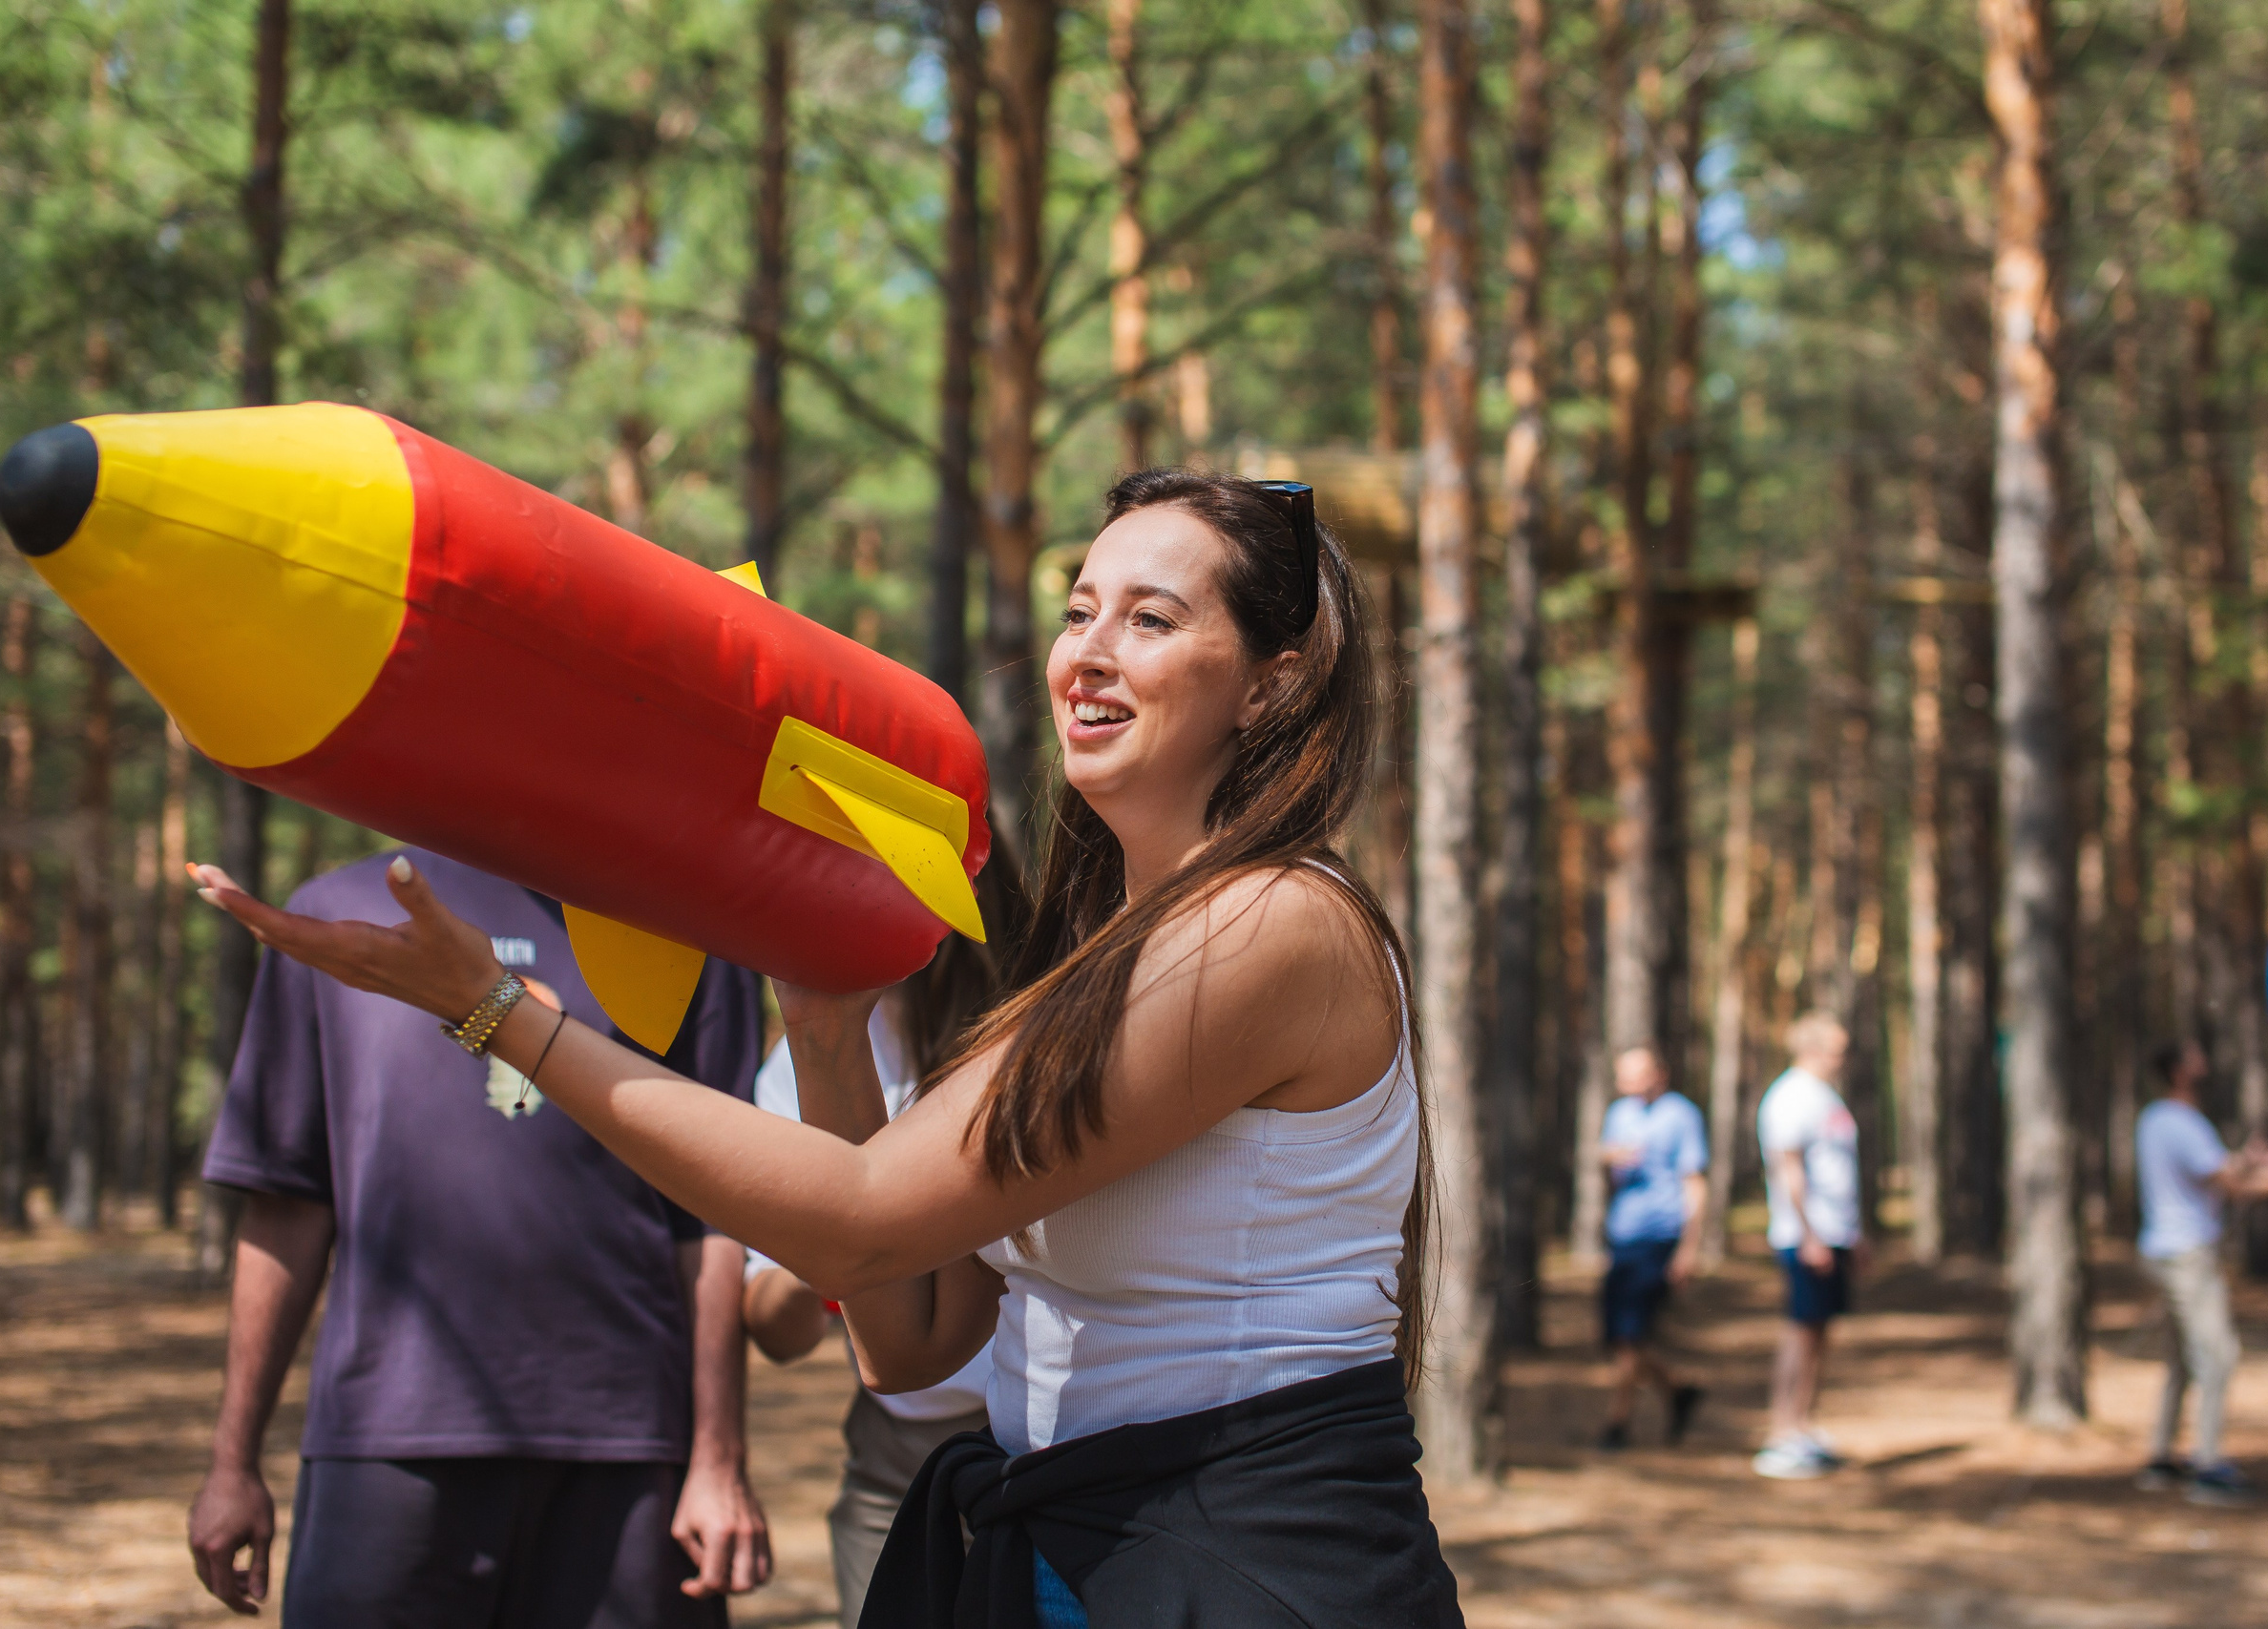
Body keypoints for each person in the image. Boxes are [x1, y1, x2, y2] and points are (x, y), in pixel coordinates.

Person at [192, 468, 1465, 1629]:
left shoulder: (1274, 923)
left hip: (1246, 1566)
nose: (1087, 652)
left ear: (1274, 679)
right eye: (1080, 610)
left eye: (1150, 618)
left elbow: (861, 1221)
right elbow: (912, 1332)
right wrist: (826, 1020)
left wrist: (493, 1009)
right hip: (1088, 1546)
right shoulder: (1100, 957)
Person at [184, 849, 772, 1626]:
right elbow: (287, 1200)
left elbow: (712, 1217)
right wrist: (233, 1461)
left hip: (628, 1448)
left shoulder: (681, 929)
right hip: (386, 1438)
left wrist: (719, 1460)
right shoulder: (334, 915)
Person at [740, 863, 1017, 1628]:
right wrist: (831, 1244)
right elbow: (779, 1327)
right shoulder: (806, 1051)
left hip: (1045, 1442)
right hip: (894, 1463)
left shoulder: (1035, 1035)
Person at [2132, 1039, 2268, 1506]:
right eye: (2195, 1055)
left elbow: (2211, 1171)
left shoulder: (2155, 1119)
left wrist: (2252, 1159)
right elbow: (2234, 1189)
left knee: (2180, 1359)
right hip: (2188, 1257)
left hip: (2161, 1251)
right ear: (2178, 1071)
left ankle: (2161, 1456)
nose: (2204, 1061)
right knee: (2217, 1356)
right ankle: (2208, 1466)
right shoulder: (2185, 1123)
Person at [1752, 1012, 1858, 1481]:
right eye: (1838, 1049)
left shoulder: (1824, 1096)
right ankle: (1780, 1434)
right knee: (1799, 1331)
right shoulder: (1790, 1096)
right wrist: (1810, 1232)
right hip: (1805, 1235)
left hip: (1834, 1232)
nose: (1844, 1058)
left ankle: (1803, 1426)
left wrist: (1853, 1233)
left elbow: (1836, 1171)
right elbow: (1789, 1170)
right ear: (1812, 1049)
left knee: (1818, 1332)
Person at [1595, 1044, 1708, 1450]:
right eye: (1621, 1075)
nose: (1625, 1082)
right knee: (1622, 1335)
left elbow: (1695, 1182)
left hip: (1660, 1236)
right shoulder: (1619, 1113)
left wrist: (1688, 1249)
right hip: (1622, 1235)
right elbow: (1611, 1167)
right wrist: (1609, 1161)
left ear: (1658, 1073)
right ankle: (1677, 1392)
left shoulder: (1682, 1115)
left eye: (1634, 1074)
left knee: (1630, 1333)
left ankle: (1617, 1424)